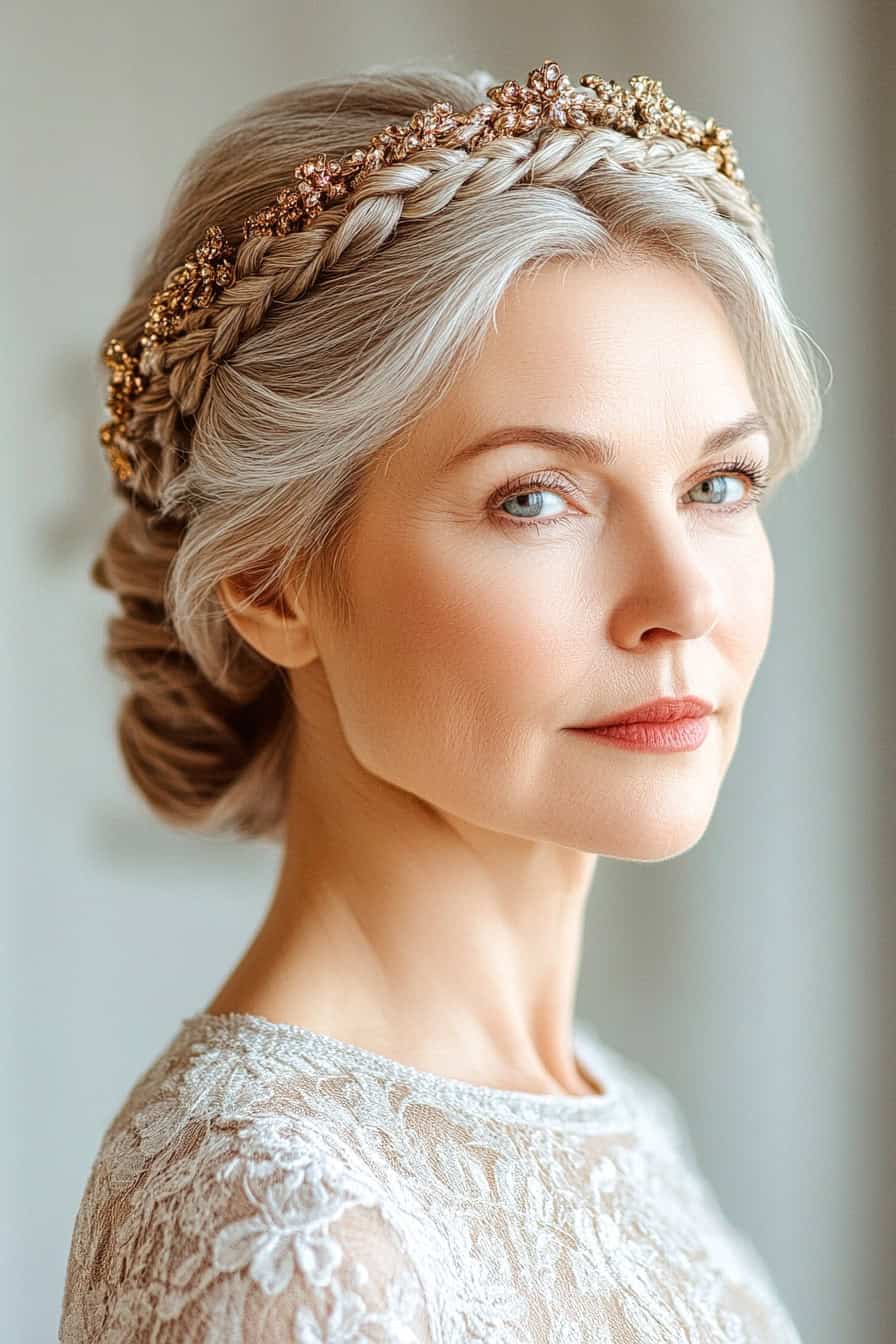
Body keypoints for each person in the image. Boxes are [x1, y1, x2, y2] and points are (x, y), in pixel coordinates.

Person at [58, 59, 823, 1342]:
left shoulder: (619, 1112)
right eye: (535, 498)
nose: (679, 599)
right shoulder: (284, 1227)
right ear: (271, 578)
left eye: (718, 485)